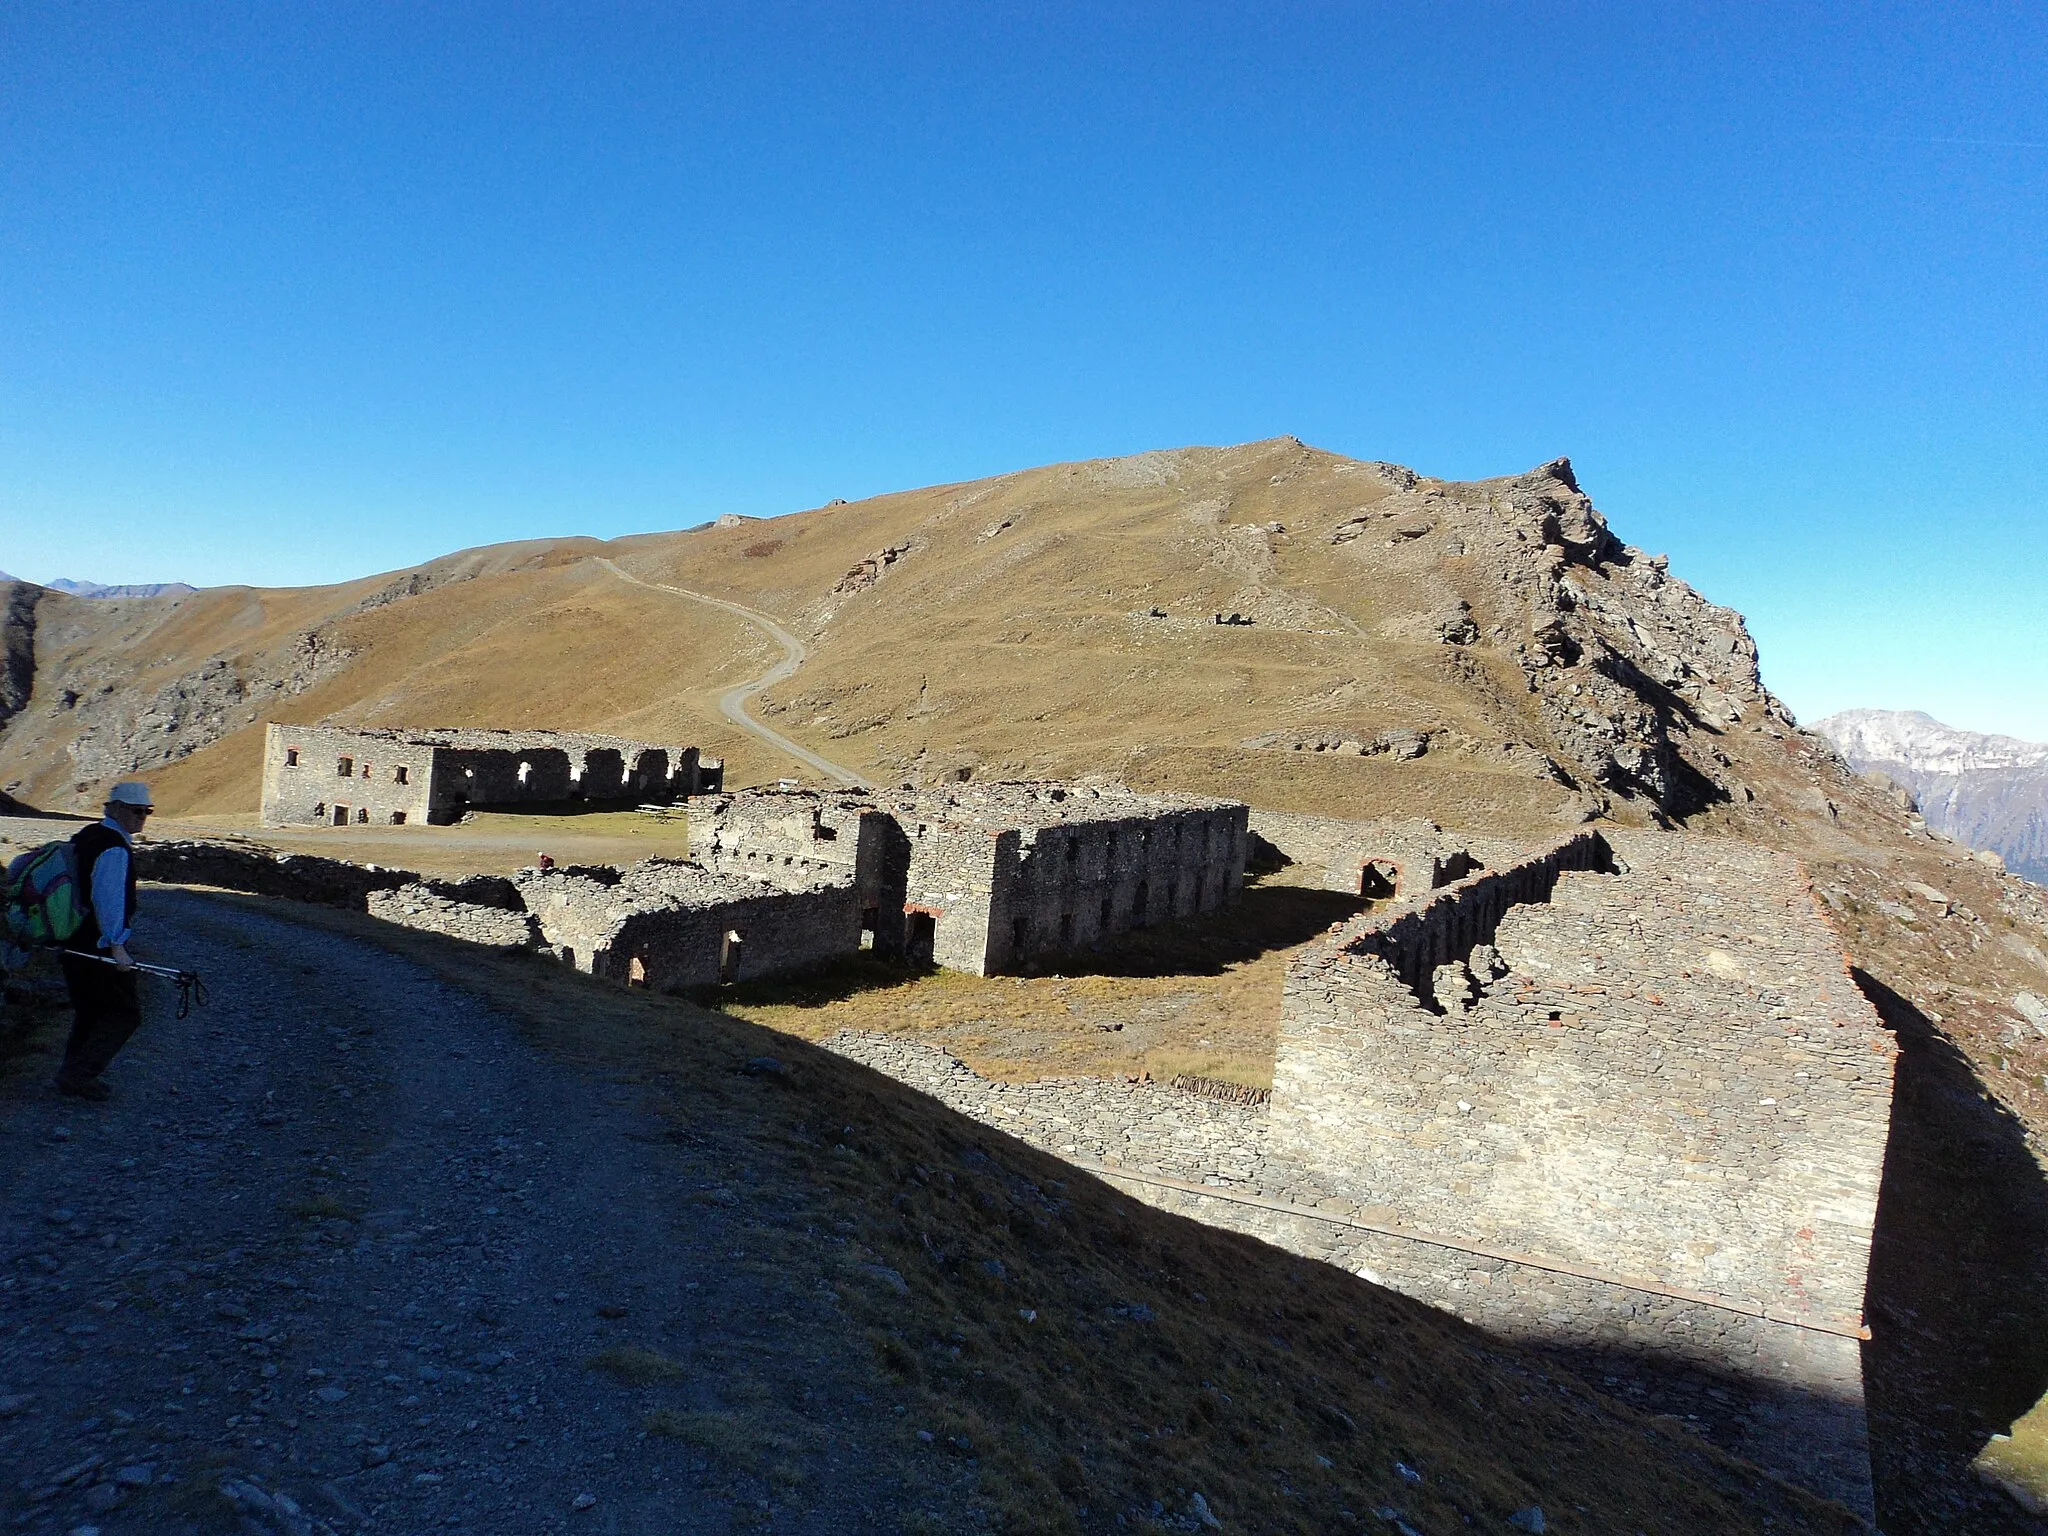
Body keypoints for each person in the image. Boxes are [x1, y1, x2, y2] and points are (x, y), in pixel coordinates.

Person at [55, 781, 154, 1101]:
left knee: (90, 1011)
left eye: (147, 811)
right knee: (124, 1014)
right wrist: (117, 946)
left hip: (72, 940)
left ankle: (71, 1074)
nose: (142, 817)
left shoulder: (87, 836)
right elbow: (107, 899)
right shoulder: (113, 847)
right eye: (136, 810)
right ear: (115, 808)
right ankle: (78, 1076)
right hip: (96, 947)